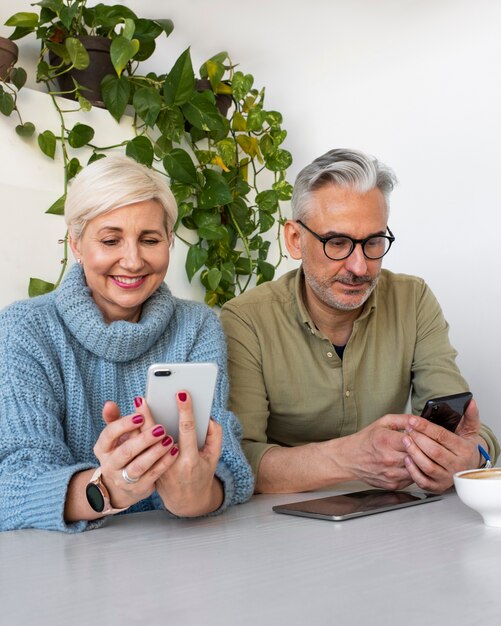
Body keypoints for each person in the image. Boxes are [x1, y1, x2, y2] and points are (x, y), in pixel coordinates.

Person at [220, 148, 499, 494]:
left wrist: (472, 460)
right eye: (337, 243)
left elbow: (465, 429)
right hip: (278, 526)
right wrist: (348, 459)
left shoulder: (413, 300)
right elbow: (235, 459)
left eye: (373, 242)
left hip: (393, 521)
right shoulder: (246, 320)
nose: (359, 267)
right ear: (294, 239)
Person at [0, 155, 253, 532]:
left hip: (180, 555)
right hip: (63, 565)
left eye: (149, 239)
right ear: (76, 244)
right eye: (110, 240)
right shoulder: (24, 328)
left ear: (169, 241)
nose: (132, 261)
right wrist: (108, 489)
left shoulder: (197, 326)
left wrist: (195, 494)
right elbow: (13, 484)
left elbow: (226, 463)